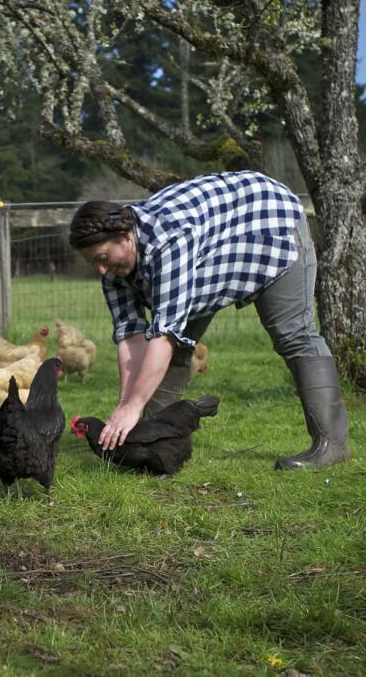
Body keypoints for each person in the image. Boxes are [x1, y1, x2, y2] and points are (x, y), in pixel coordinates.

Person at [68, 170, 350, 470]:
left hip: (271, 227)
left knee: (293, 335)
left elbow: (164, 336)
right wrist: (125, 407)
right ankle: (150, 442)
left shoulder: (168, 240)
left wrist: (132, 406)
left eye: (102, 258)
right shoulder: (114, 270)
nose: (100, 270)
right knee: (169, 353)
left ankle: (332, 446)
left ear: (126, 237)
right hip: (212, 258)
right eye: (93, 263)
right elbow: (132, 339)